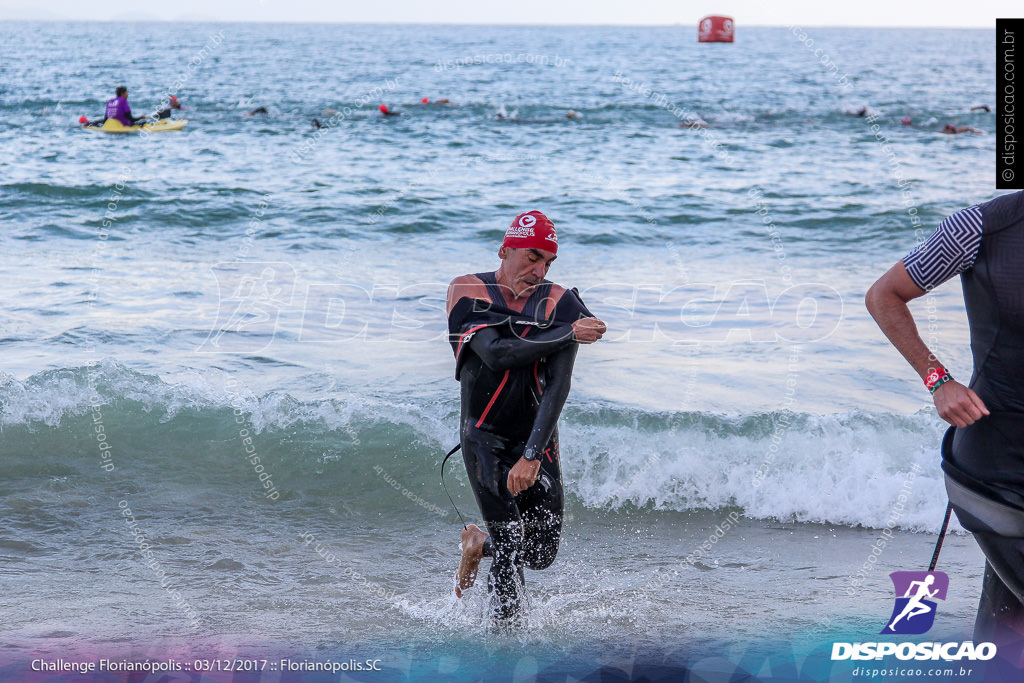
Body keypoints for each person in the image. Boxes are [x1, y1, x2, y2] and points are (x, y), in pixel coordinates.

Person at [865, 190, 1024, 654]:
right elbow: (884, 295)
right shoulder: (980, 227)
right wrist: (939, 380)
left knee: (1005, 617)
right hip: (997, 467)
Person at [446, 210, 607, 624]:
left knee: (542, 553)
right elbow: (497, 353)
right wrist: (568, 331)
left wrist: (533, 454)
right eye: (532, 258)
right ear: (505, 250)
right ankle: (506, 644)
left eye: (548, 263)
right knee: (512, 542)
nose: (539, 270)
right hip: (486, 437)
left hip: (538, 441)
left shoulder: (562, 304)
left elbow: (559, 385)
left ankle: (475, 548)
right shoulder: (468, 292)